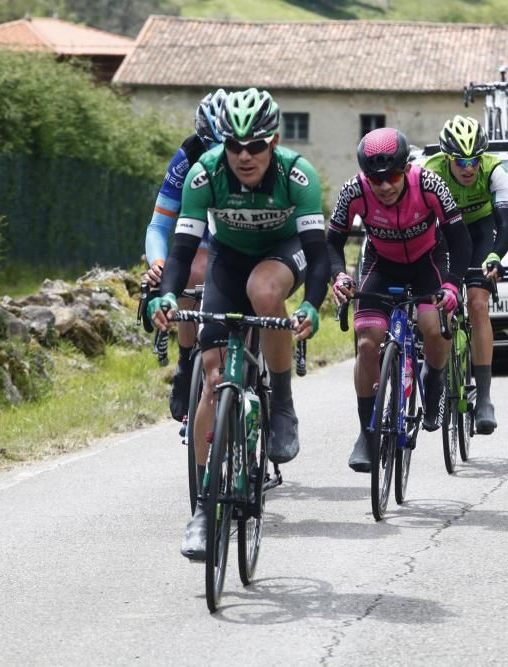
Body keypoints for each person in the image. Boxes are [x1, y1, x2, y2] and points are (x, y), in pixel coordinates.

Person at [148, 88, 329, 559]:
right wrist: (167, 293)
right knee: (213, 382)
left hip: (281, 254)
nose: (244, 156)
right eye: (234, 146)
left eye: (255, 146)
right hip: (227, 258)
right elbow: (184, 247)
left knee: (265, 292)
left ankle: (283, 406)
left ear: (272, 142)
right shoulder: (205, 171)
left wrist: (310, 303)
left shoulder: (296, 173)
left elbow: (318, 252)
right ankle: (205, 511)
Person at [328, 127, 472, 472]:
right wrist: (340, 276)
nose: (385, 186)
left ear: (406, 168)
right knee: (366, 343)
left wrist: (452, 285)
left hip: (428, 261)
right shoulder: (354, 191)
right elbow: (331, 242)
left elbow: (459, 238)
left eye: (392, 176)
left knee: (432, 327)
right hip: (381, 263)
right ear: (366, 177)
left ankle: (434, 378)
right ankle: (367, 432)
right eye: (376, 180)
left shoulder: (429, 184)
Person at [421, 115, 508, 434]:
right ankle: (431, 362)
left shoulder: (494, 171)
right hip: (444, 233)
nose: (468, 168)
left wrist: (494, 256)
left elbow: (505, 226)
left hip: (481, 231)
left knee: (477, 305)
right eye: (461, 161)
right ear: (448, 158)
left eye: (474, 159)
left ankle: (485, 398)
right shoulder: (429, 172)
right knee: (433, 300)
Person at [143, 89, 228, 423]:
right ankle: (186, 361)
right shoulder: (188, 155)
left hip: (240, 234)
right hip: (200, 233)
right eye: (211, 147)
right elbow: (159, 224)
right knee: (191, 273)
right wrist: (158, 264)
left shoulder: (254, 157)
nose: (217, 158)